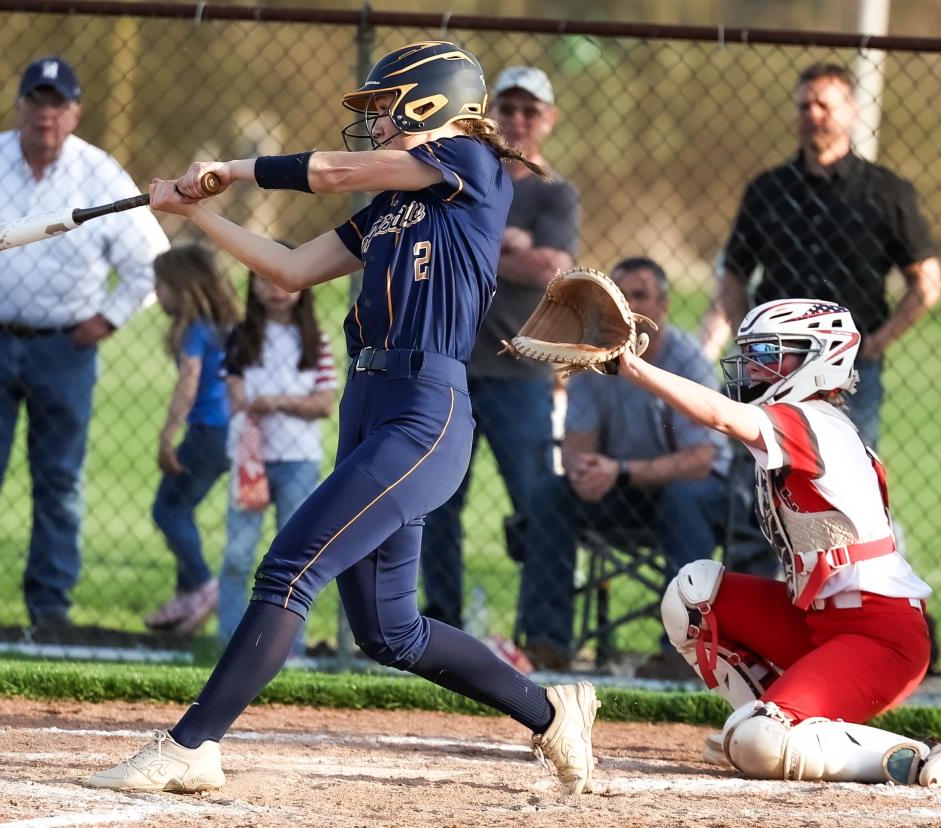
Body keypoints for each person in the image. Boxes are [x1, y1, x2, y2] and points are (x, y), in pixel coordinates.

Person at [83, 41, 599, 796]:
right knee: (390, 632)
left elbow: (330, 172)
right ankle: (552, 712)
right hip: (369, 404)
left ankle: (193, 744)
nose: (378, 119)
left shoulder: (471, 164)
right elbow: (290, 269)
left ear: (430, 102)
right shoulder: (395, 205)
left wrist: (235, 170)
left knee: (290, 566)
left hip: (426, 411)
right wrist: (197, 216)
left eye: (388, 104)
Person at [621, 296, 941, 788]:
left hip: (880, 637)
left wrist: (633, 367)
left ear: (821, 358)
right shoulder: (802, 420)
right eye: (754, 350)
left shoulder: (813, 419)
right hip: (821, 622)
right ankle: (771, 722)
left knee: (759, 744)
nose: (757, 364)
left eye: (773, 352)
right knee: (693, 594)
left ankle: (917, 758)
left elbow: (719, 416)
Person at [0, 56, 169, 634]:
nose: (45, 114)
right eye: (36, 101)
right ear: (19, 106)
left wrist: (108, 319)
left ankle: (50, 610)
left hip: (65, 351)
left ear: (74, 113)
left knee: (60, 479)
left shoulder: (99, 174)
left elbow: (153, 263)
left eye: (58, 103)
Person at [699, 62, 941, 448]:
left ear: (852, 111)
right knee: (753, 476)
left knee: (844, 478)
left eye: (824, 106)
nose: (813, 115)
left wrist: (876, 343)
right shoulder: (767, 190)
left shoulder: (887, 192)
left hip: (847, 367)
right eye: (804, 106)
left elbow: (926, 284)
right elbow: (733, 274)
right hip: (771, 362)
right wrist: (749, 336)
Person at [420, 64, 579, 630]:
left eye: (528, 111)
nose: (516, 119)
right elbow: (441, 246)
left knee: (538, 505)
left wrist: (487, 245)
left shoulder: (554, 195)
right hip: (454, 364)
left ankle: (543, 633)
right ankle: (438, 624)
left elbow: (552, 268)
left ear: (548, 120)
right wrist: (509, 245)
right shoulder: (467, 173)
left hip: (522, 370)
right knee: (436, 504)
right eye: (506, 108)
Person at [518, 258, 730, 673]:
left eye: (640, 297)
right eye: (619, 299)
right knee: (550, 494)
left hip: (688, 490)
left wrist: (620, 470)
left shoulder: (689, 362)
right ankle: (547, 644)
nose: (629, 310)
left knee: (684, 499)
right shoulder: (595, 360)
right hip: (619, 487)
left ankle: (681, 652)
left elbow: (702, 460)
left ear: (664, 307)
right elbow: (576, 447)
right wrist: (583, 472)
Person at [218, 264, 336, 653]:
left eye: (284, 278)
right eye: (264, 280)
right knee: (239, 553)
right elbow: (234, 391)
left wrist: (277, 403)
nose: (276, 288)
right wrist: (251, 404)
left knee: (293, 559)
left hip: (297, 459)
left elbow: (323, 403)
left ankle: (288, 648)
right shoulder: (240, 337)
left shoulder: (315, 341)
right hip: (250, 459)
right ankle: (230, 645)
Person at [143, 245, 241, 634]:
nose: (157, 293)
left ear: (182, 287)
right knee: (177, 506)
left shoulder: (196, 331)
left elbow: (189, 383)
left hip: (206, 431)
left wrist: (167, 436)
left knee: (169, 511)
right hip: (228, 432)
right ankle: (187, 594)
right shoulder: (226, 325)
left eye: (160, 285)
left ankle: (202, 586)